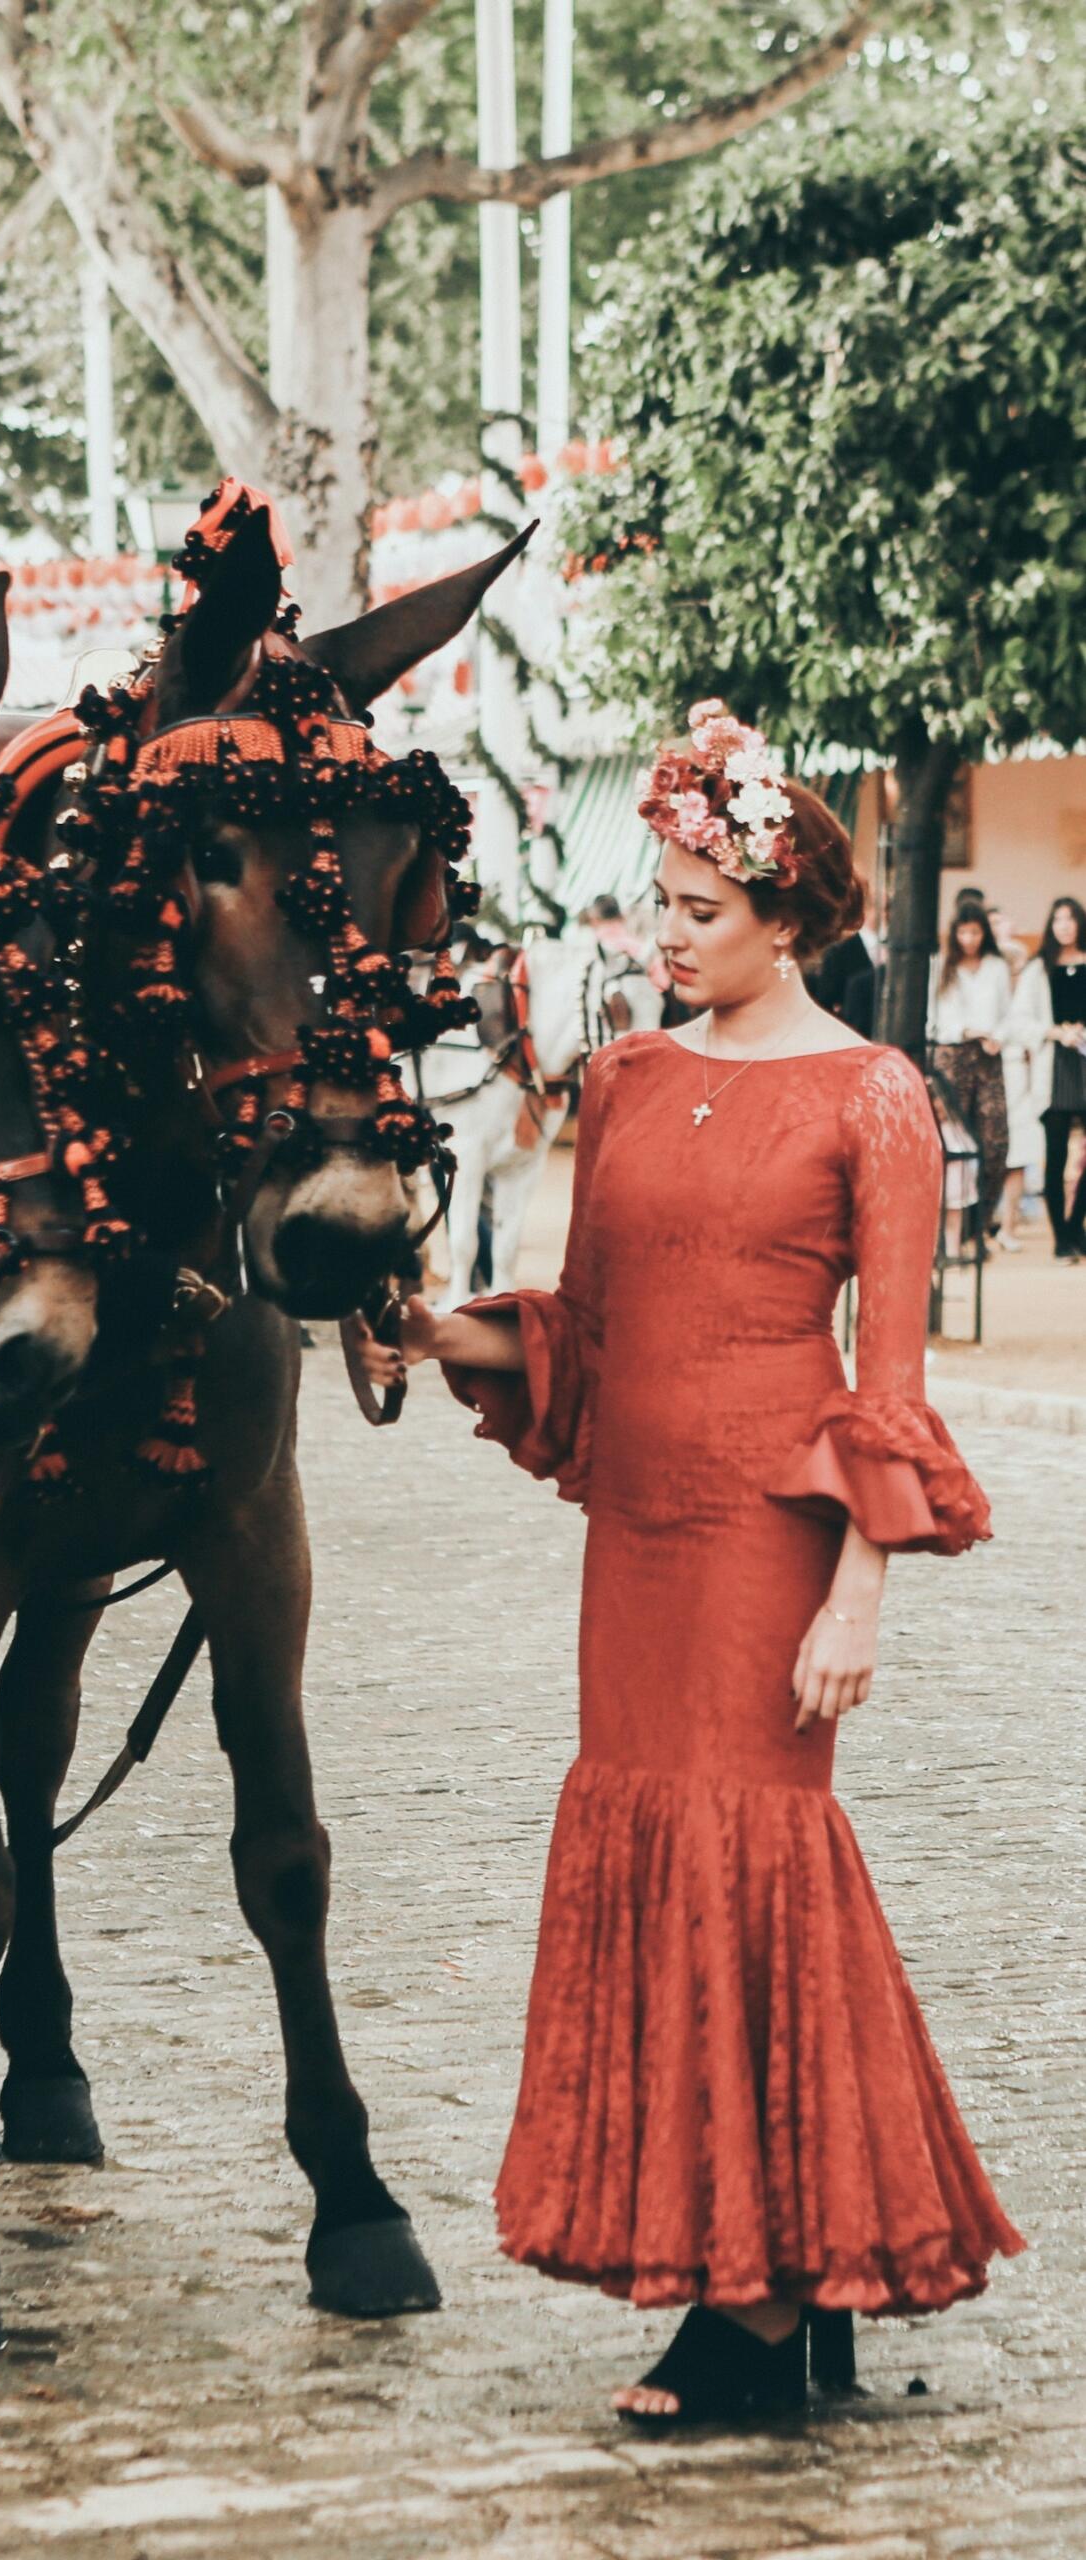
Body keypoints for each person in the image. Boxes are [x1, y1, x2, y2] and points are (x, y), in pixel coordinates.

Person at [355, 699, 1021, 2430]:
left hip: (766, 1539)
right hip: (639, 1537)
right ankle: (797, 2272)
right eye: (653, 902)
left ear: (789, 920)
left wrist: (858, 1588)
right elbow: (587, 1332)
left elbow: (887, 1382)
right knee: (663, 1851)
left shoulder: (873, 1097)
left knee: (751, 1862)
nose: (660, 935)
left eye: (696, 911)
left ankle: (752, 2313)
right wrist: (432, 1333)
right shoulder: (628, 1080)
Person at [1007, 895, 1086, 1260]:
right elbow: (1020, 1020)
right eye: (1058, 919)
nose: (1065, 925)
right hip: (1055, 1066)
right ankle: (1061, 1237)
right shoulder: (1039, 969)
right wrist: (1055, 1032)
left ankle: (1074, 1228)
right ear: (1051, 925)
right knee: (1054, 1157)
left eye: (1071, 919)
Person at [928, 907, 1013, 1250]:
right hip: (952, 1053)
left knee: (994, 1140)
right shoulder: (941, 965)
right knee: (950, 1142)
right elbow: (930, 1019)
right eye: (963, 933)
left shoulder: (996, 967)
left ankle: (980, 1225)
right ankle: (947, 1234)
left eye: (975, 933)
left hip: (988, 1056)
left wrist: (997, 1036)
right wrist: (964, 1030)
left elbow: (1009, 1013)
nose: (969, 940)